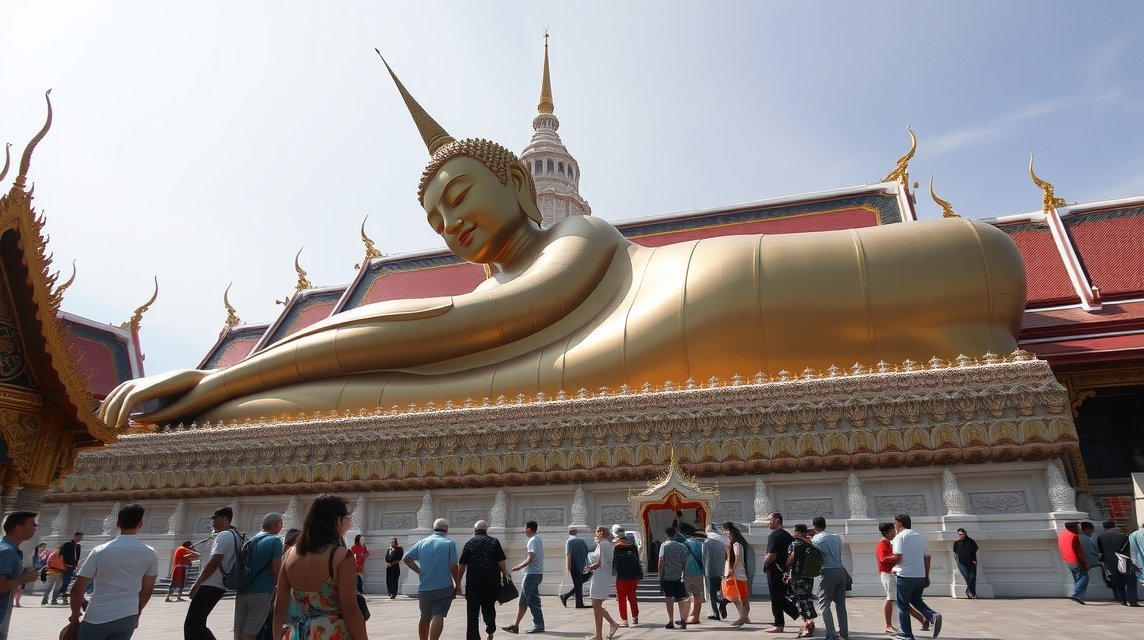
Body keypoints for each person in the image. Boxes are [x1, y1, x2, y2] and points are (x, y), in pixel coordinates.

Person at [96, 60, 1025, 432]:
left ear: (519, 179)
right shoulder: (521, 269)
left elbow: (450, 328)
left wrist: (228, 380)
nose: (451, 225)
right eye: (437, 219)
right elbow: (445, 330)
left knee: (976, 259)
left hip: (707, 300)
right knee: (413, 394)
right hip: (615, 348)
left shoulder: (576, 236)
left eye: (461, 194)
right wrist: (243, 384)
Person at [272, 494, 368, 640]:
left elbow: (279, 610)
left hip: (297, 633)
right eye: (348, 516)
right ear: (337, 520)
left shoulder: (290, 554)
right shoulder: (342, 557)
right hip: (330, 633)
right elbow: (351, 611)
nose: (349, 521)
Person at [66, 504, 158, 639]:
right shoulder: (150, 553)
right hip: (127, 616)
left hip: (98, 616)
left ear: (118, 524)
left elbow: (77, 588)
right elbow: (147, 589)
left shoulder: (100, 551)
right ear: (140, 524)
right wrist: (137, 612)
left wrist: (75, 614)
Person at [185, 506, 238, 639]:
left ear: (226, 519)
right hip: (217, 585)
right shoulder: (235, 535)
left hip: (210, 584)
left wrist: (198, 583)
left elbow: (215, 561)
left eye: (215, 518)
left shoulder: (225, 535)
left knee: (192, 624)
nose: (212, 521)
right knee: (197, 623)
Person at [404, 518, 460, 640]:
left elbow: (406, 558)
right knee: (438, 615)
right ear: (447, 529)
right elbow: (453, 567)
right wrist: (458, 584)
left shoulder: (422, 542)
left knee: (425, 616)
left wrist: (419, 571)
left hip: (425, 587)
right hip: (444, 586)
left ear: (433, 528)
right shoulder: (449, 543)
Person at [888, 514, 941, 640]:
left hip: (904, 576)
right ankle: (932, 615)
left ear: (900, 523)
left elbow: (898, 556)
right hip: (919, 576)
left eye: (895, 523)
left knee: (903, 606)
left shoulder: (899, 537)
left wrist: (891, 566)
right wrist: (926, 575)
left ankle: (906, 634)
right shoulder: (919, 536)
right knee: (916, 600)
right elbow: (927, 556)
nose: (894, 526)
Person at [235, 513, 284, 640]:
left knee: (238, 631)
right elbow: (277, 567)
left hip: (243, 589)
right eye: (281, 524)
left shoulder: (250, 541)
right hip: (262, 591)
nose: (282, 526)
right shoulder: (275, 540)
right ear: (276, 524)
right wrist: (280, 587)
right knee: (251, 631)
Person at [458, 520, 509, 640]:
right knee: (489, 607)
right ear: (486, 530)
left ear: (475, 530)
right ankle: (490, 629)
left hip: (473, 582)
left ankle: (473, 637)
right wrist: (505, 575)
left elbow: (462, 564)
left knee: (472, 611)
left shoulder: (469, 543)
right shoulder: (494, 542)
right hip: (491, 582)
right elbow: (501, 561)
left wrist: (458, 581)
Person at [876, 523, 927, 635]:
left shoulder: (890, 543)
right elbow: (883, 559)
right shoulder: (882, 544)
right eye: (893, 531)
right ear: (888, 532)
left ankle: (922, 620)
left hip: (894, 574)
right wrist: (899, 559)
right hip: (888, 574)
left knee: (901, 601)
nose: (895, 533)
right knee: (891, 598)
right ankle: (888, 625)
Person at [0, 511, 40, 639]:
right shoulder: (8, 552)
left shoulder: (5, 547)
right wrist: (24, 579)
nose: (35, 528)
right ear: (19, 527)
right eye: (33, 524)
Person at [503, 521, 544, 634]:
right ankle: (516, 625)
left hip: (531, 574)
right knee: (528, 601)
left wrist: (518, 567)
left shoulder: (532, 540)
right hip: (536, 574)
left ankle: (537, 624)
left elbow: (531, 558)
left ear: (530, 529)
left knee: (530, 601)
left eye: (525, 528)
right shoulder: (537, 539)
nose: (524, 530)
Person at [811, 517, 848, 640]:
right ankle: (844, 633)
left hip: (827, 571)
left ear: (814, 526)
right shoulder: (836, 537)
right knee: (840, 605)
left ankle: (831, 634)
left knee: (824, 604)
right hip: (840, 570)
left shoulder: (815, 539)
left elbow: (813, 554)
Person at [762, 513, 798, 633]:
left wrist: (765, 559)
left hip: (775, 571)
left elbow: (772, 555)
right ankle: (781, 621)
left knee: (776, 597)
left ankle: (784, 621)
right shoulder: (787, 535)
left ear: (777, 520)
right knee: (780, 596)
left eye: (770, 519)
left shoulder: (774, 536)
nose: (768, 522)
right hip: (784, 570)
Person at [584, 527, 620, 640]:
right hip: (604, 575)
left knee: (596, 604)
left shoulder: (603, 544)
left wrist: (591, 567)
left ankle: (599, 634)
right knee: (596, 604)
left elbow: (600, 561)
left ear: (601, 533)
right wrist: (593, 567)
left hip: (600, 576)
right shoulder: (609, 545)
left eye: (597, 532)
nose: (595, 534)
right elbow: (602, 562)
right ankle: (611, 625)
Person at [785, 524, 818, 639]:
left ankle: (808, 624)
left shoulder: (795, 544)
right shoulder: (810, 544)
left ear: (797, 532)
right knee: (807, 599)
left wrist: (787, 564)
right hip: (809, 576)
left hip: (797, 577)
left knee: (799, 600)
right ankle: (809, 621)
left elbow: (789, 562)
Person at [1096, 519, 1138, 606]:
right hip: (1125, 561)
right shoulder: (1123, 536)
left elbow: (1101, 551)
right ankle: (1132, 600)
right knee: (1130, 580)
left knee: (1117, 581)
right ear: (1114, 526)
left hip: (1109, 562)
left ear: (1104, 527)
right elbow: (1129, 550)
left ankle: (1122, 599)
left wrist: (1103, 562)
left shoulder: (1101, 537)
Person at [658, 526, 690, 630]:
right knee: (680, 598)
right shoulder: (681, 546)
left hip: (667, 575)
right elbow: (685, 561)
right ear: (675, 534)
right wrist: (683, 571)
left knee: (668, 598)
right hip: (678, 575)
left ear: (666, 534)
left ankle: (671, 620)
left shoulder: (664, 545)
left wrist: (659, 574)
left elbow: (661, 561)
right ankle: (683, 619)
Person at [722, 521, 752, 628]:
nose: (724, 534)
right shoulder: (734, 544)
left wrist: (732, 570)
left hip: (738, 574)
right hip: (738, 574)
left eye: (725, 531)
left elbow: (738, 558)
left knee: (742, 598)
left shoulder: (736, 544)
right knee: (740, 598)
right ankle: (745, 617)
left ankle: (743, 618)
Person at [611, 527, 642, 627]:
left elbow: (614, 563)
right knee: (632, 596)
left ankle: (625, 620)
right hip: (633, 576)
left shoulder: (617, 547)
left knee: (621, 599)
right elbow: (637, 561)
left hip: (621, 577)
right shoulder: (632, 546)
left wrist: (614, 573)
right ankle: (635, 616)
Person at [1057, 521, 1089, 605]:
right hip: (1075, 560)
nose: (1080, 529)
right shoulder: (1074, 536)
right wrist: (1086, 562)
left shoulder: (1062, 535)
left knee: (1077, 578)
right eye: (1078, 527)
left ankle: (1077, 596)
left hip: (1067, 560)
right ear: (1074, 528)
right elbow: (1079, 551)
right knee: (1084, 577)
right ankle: (1075, 594)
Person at [701, 523, 728, 621]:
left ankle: (718, 610)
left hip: (710, 570)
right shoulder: (722, 541)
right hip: (721, 570)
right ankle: (721, 602)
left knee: (711, 594)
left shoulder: (707, 542)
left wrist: (703, 569)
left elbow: (703, 557)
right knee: (718, 591)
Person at [559, 528, 590, 609]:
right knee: (578, 584)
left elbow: (568, 555)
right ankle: (578, 602)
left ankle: (566, 597)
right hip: (582, 564)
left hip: (573, 564)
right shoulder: (581, 541)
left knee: (578, 584)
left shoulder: (569, 541)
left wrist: (568, 567)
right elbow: (587, 552)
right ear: (576, 533)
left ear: (568, 533)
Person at [57, 531, 84, 605]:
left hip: (73, 566)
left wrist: (77, 564)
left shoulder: (78, 546)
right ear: (74, 536)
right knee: (65, 582)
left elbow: (77, 557)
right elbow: (61, 554)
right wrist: (63, 564)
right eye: (79, 537)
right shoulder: (68, 544)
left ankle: (64, 596)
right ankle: (60, 595)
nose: (80, 539)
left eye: (81, 537)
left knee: (69, 582)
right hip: (66, 566)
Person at [951, 528, 979, 599]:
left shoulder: (971, 541)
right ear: (957, 534)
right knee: (968, 576)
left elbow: (974, 552)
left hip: (971, 562)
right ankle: (971, 593)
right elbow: (955, 552)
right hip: (961, 562)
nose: (961, 535)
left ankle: (970, 592)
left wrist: (974, 560)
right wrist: (956, 560)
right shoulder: (956, 542)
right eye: (959, 534)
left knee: (973, 577)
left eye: (962, 534)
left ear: (965, 533)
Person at [40, 542, 67, 606]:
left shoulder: (53, 553)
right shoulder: (64, 555)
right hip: (60, 572)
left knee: (49, 587)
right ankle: (54, 600)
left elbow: (48, 562)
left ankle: (44, 600)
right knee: (57, 587)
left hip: (51, 571)